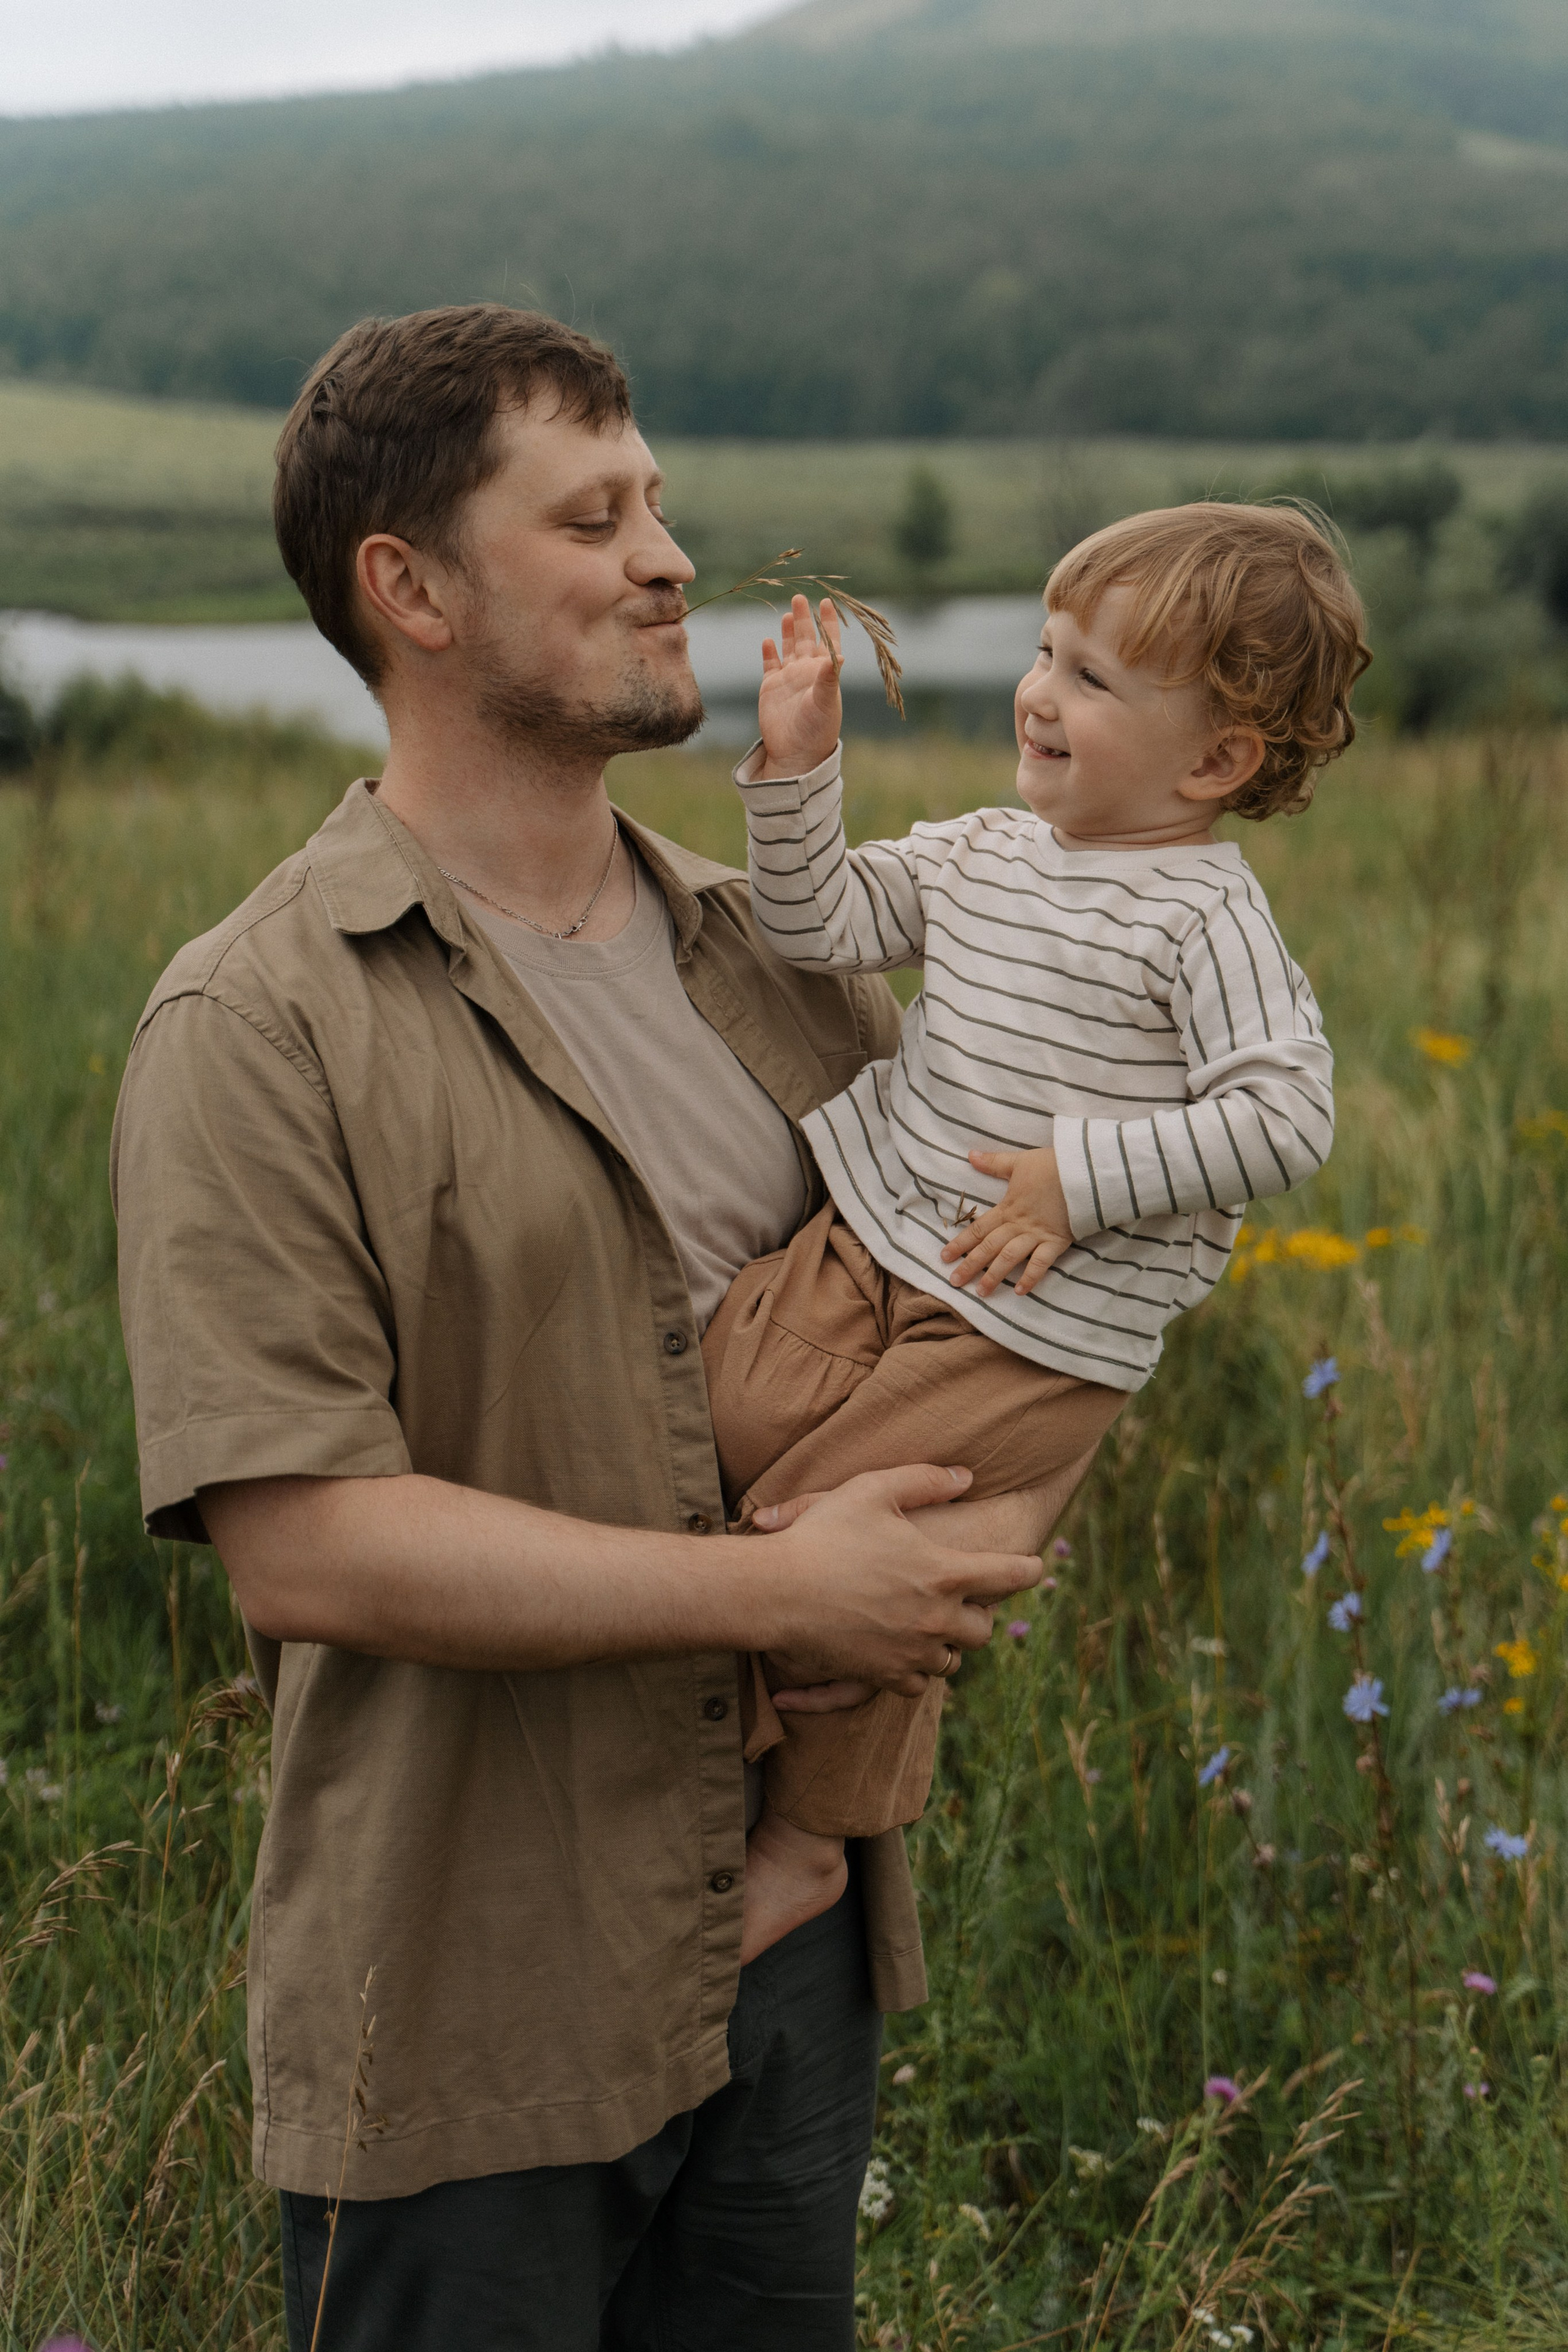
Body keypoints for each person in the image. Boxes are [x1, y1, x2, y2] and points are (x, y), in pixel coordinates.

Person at [110, 303, 1055, 2352]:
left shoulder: (781, 963)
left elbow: (951, 1325)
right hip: (468, 1997)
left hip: (787, 1951)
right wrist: (778, 1592)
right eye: (595, 514)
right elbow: (306, 1540)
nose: (670, 553)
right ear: (411, 589)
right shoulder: (258, 1021)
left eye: (660, 500)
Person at [704, 503, 1369, 1953]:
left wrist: (1079, 1178)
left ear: (1212, 760)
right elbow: (812, 923)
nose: (1036, 691)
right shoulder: (981, 853)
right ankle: (720, 1676)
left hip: (1030, 1329)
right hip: (881, 1231)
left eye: (1089, 680)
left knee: (838, 1529)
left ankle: (810, 1835)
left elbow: (1284, 1119)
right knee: (721, 1398)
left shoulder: (1201, 918)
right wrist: (798, 767)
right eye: (1042, 650)